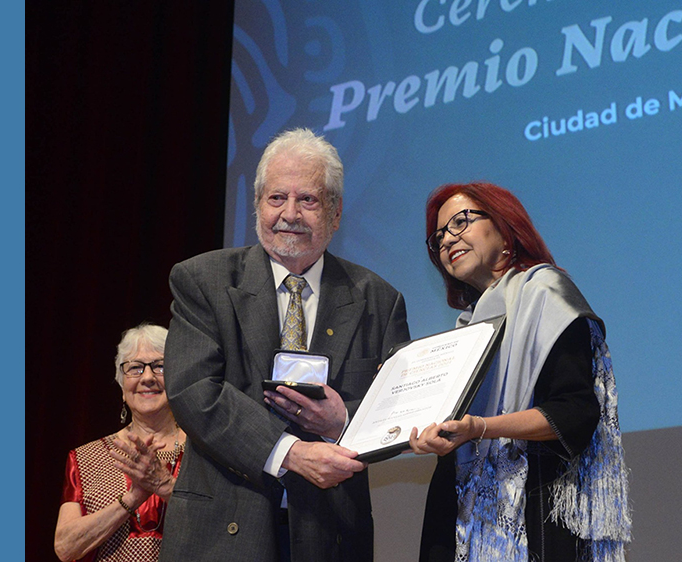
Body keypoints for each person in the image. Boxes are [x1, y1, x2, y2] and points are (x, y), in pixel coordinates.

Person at [159, 128, 410, 562]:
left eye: (307, 200)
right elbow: (194, 391)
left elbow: (398, 410)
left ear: (335, 212)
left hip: (332, 535)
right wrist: (290, 453)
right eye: (276, 199)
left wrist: (343, 422)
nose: (289, 214)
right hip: (221, 529)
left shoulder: (378, 300)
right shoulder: (202, 280)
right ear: (257, 205)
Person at [409, 182, 632, 562]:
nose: (447, 239)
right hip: (457, 523)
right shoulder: (468, 327)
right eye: (439, 236)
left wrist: (481, 428)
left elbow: (575, 412)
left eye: (460, 222)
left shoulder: (547, 295)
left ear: (504, 226)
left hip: (533, 514)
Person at [55, 323, 186, 562]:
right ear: (122, 386)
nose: (147, 377)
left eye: (160, 366)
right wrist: (132, 498)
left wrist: (164, 486)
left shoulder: (204, 452)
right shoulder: (86, 458)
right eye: (135, 368)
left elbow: (228, 525)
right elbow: (65, 548)